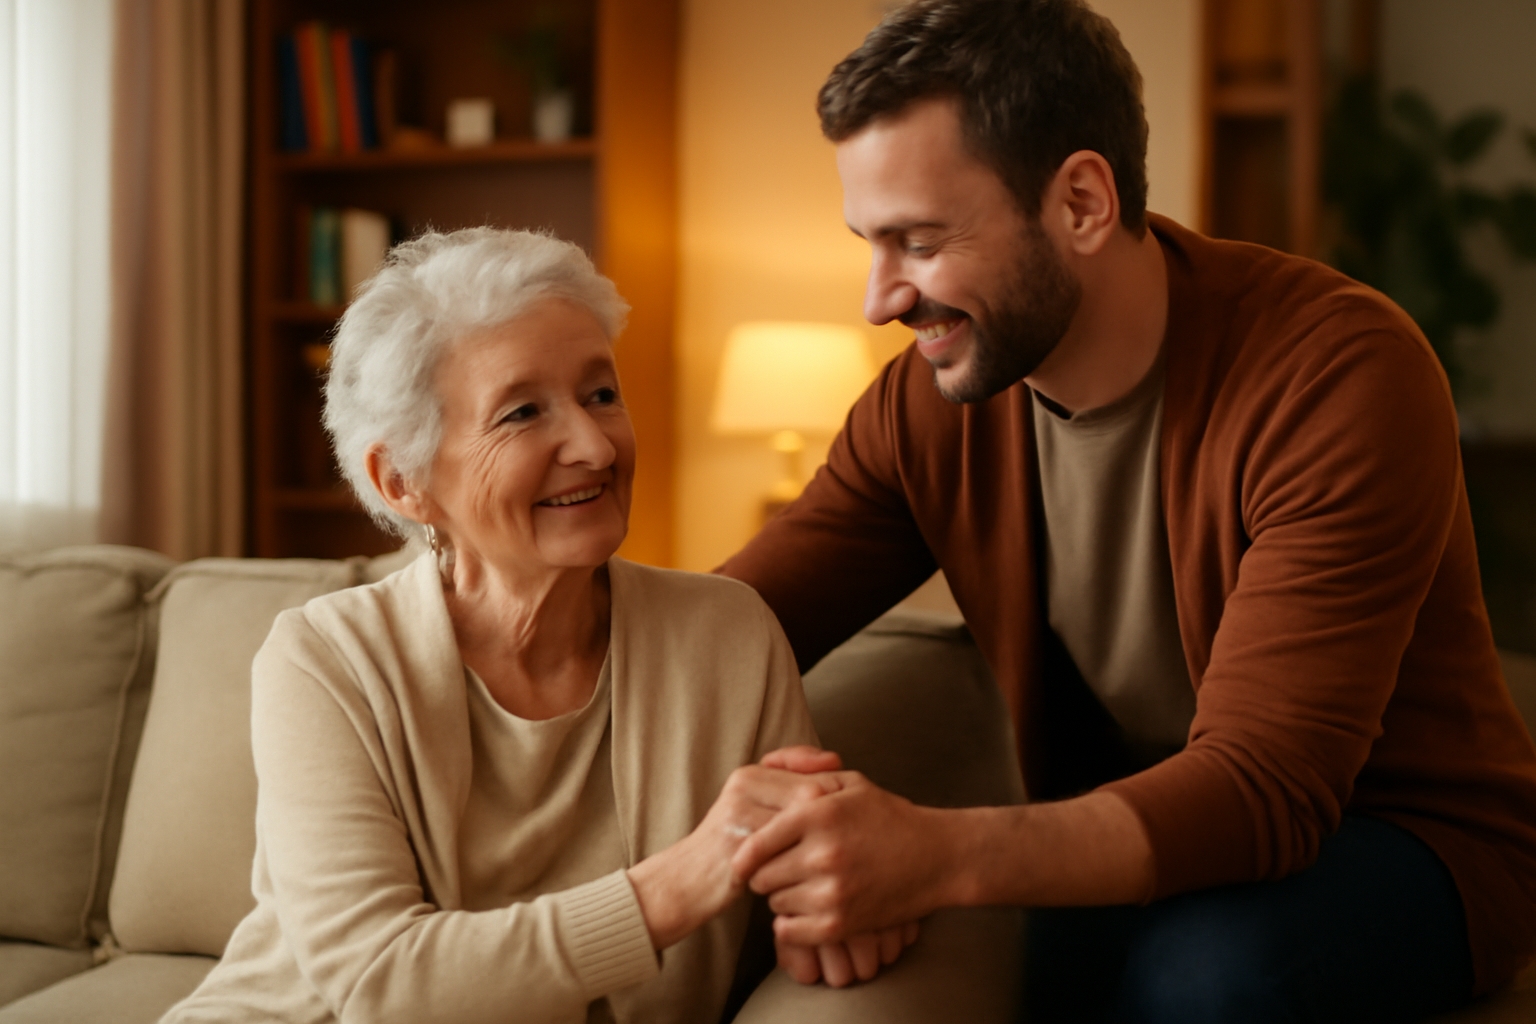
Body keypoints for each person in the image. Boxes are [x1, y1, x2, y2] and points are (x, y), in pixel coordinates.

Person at [719, 1, 1536, 1020]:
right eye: (870, 243)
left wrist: (931, 853)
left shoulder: (1340, 375)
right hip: (1129, 835)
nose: (879, 299)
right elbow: (728, 631)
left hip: (1403, 839)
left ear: (1082, 202)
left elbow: (1263, 789)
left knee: (1198, 979)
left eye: (918, 240)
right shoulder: (925, 403)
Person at [160, 228, 914, 1024]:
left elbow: (801, 902)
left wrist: (838, 910)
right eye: (522, 413)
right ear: (404, 481)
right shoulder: (325, 662)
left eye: (602, 394)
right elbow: (381, 985)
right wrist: (677, 883)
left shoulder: (730, 636)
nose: (593, 445)